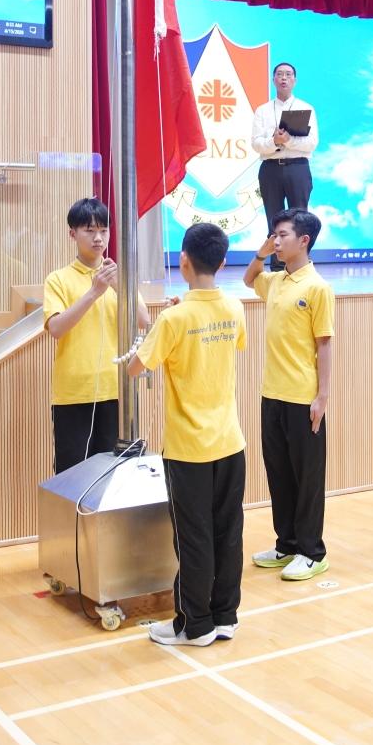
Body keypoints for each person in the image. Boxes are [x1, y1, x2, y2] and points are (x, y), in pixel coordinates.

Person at [127, 223, 245, 646]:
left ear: (184, 261)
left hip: (189, 449)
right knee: (228, 533)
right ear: (223, 262)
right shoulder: (235, 308)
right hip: (230, 442)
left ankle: (195, 625)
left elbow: (135, 368)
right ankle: (225, 616)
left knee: (193, 537)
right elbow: (225, 340)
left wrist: (164, 326)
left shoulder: (173, 319)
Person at [243, 209, 335, 581]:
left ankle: (312, 552)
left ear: (304, 240)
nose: (276, 241)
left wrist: (322, 396)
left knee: (307, 476)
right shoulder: (277, 281)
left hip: (302, 397)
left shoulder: (317, 287)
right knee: (279, 472)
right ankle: (287, 544)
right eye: (274, 235)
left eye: (282, 235)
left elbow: (324, 344)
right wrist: (261, 253)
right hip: (272, 394)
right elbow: (250, 278)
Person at [43, 198, 149, 473]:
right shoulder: (58, 279)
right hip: (74, 394)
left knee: (113, 475)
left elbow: (143, 320)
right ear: (72, 234)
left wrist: (119, 286)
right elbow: (56, 328)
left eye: (103, 230)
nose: (98, 238)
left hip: (116, 391)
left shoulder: (119, 275)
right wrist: (94, 292)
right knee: (71, 475)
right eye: (89, 231)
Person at [251, 62, 319, 270]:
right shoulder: (262, 110)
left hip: (298, 168)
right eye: (279, 74)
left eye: (288, 74)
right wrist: (274, 141)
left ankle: (300, 266)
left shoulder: (306, 108)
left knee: (300, 220)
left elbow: (311, 143)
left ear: (294, 80)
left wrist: (288, 140)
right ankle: (277, 268)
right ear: (273, 79)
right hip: (270, 169)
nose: (284, 78)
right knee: (273, 219)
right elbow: (256, 144)